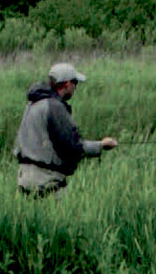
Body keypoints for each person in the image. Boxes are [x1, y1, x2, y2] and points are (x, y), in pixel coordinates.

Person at [14, 61, 118, 195]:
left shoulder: (33, 103)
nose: (76, 87)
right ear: (67, 84)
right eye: (75, 83)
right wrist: (102, 145)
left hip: (24, 179)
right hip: (46, 181)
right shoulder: (55, 107)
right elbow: (73, 146)